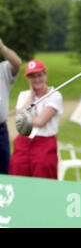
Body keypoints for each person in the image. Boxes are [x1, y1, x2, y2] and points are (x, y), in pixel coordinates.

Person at [9, 60, 63, 179]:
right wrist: (31, 97)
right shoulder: (24, 95)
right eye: (32, 77)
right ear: (28, 79)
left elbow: (40, 122)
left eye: (39, 75)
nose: (36, 79)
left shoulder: (55, 95)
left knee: (43, 179)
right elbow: (19, 118)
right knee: (17, 175)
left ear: (45, 74)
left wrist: (24, 118)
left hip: (45, 143)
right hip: (23, 142)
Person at [0, 38, 22, 175]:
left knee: (3, 173)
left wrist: (2, 47)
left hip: (1, 131)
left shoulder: (2, 69)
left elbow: (17, 63)